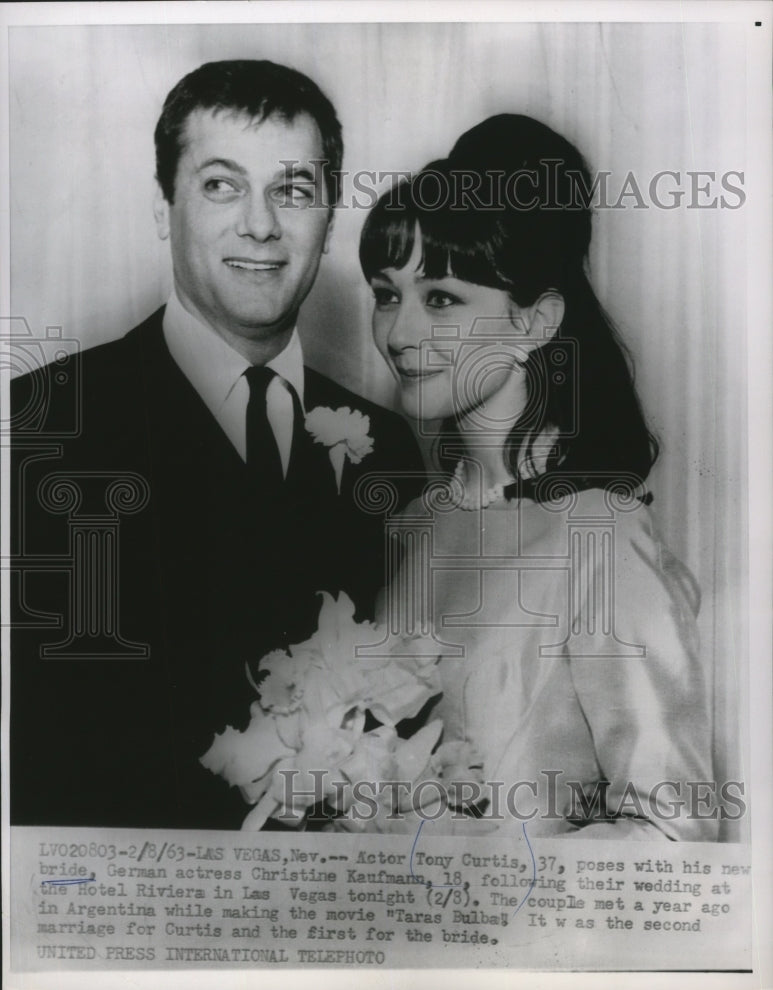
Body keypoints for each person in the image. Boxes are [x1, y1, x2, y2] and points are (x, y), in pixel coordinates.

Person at [10, 60, 423, 829]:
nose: (261, 226)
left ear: (329, 214)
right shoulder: (40, 424)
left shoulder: (388, 448)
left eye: (293, 190)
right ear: (165, 207)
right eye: (222, 185)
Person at [358, 114, 717, 840]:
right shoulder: (412, 525)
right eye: (386, 293)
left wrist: (486, 900)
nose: (397, 334)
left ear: (535, 322)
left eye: (441, 299)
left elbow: (675, 836)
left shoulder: (600, 539)